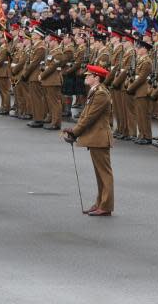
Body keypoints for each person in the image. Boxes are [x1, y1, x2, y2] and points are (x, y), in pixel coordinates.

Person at [63, 64, 114, 216]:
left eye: (88, 75)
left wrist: (76, 132)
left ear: (96, 78)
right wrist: (74, 130)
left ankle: (106, 206)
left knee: (104, 174)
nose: (86, 77)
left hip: (99, 137)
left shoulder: (101, 94)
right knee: (100, 174)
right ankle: (100, 203)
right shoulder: (95, 91)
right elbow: (85, 115)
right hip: (95, 137)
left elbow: (90, 117)